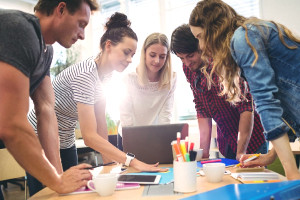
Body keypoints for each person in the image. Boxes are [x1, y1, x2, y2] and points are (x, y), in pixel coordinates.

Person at [27, 12, 168, 195]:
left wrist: (110, 166)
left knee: (69, 194)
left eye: (132, 54)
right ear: (108, 46)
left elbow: (100, 124)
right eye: (126, 52)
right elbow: (89, 136)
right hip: (40, 136)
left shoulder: (106, 75)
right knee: (48, 195)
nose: (130, 60)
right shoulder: (86, 74)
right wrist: (132, 161)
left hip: (66, 138)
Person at [189, 0, 300, 180]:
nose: (201, 46)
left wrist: (292, 174)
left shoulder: (243, 39)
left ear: (213, 29)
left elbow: (266, 103)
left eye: (200, 36)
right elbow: (286, 111)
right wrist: (270, 156)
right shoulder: (248, 34)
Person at [0, 0, 99, 195]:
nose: (82, 35)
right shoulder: (21, 29)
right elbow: (11, 124)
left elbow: (46, 109)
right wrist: (57, 181)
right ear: (61, 9)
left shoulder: (46, 50)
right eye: (81, 24)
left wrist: (60, 178)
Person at [170, 24, 267, 160]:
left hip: (251, 139)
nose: (186, 63)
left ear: (201, 46)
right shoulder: (189, 68)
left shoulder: (222, 64)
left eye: (190, 56)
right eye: (181, 58)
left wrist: (241, 152)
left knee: (252, 179)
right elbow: (201, 107)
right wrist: (203, 153)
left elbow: (246, 108)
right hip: (227, 139)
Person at [120, 32, 177, 127]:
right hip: (129, 135)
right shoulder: (129, 79)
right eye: (152, 55)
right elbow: (126, 117)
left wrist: (162, 138)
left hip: (155, 135)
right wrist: (132, 139)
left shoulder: (171, 79)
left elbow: (165, 117)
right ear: (144, 54)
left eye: (162, 57)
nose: (157, 61)